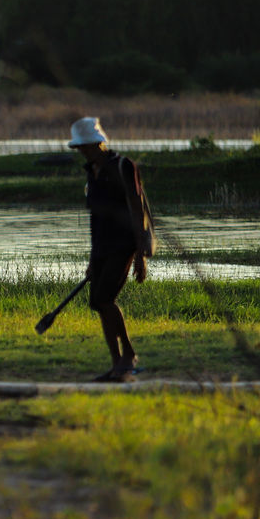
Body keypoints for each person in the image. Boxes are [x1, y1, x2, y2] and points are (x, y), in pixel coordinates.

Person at [68, 117, 153, 381]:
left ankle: (128, 355)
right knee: (98, 302)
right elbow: (95, 218)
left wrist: (140, 255)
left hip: (124, 244)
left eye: (88, 146)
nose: (84, 151)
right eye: (80, 148)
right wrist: (93, 260)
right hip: (103, 246)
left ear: (100, 143)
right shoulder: (92, 172)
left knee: (103, 299)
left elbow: (137, 208)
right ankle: (118, 362)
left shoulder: (123, 166)